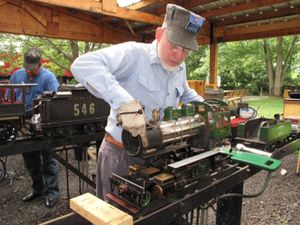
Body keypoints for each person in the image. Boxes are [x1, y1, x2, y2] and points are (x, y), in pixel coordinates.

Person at [71, 4, 205, 200]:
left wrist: (211, 108)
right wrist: (124, 102)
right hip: (121, 155)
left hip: (157, 154)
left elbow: (185, 92)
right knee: (116, 216)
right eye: (174, 46)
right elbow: (83, 65)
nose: (179, 56)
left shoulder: (179, 66)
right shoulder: (134, 54)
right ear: (160, 35)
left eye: (186, 51)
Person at [8, 47, 60, 207]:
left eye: (33, 69)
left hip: (43, 123)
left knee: (49, 160)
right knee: (30, 160)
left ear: (40, 63)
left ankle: (52, 193)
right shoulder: (17, 75)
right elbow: (9, 96)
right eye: (27, 68)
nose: (29, 72)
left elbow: (55, 103)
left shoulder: (49, 78)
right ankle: (38, 189)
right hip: (22, 123)